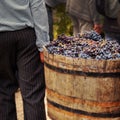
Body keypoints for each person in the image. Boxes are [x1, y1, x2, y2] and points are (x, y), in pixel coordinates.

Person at [0, 0, 50, 120]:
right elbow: (37, 5)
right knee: (32, 94)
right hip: (26, 37)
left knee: (3, 92)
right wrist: (43, 44)